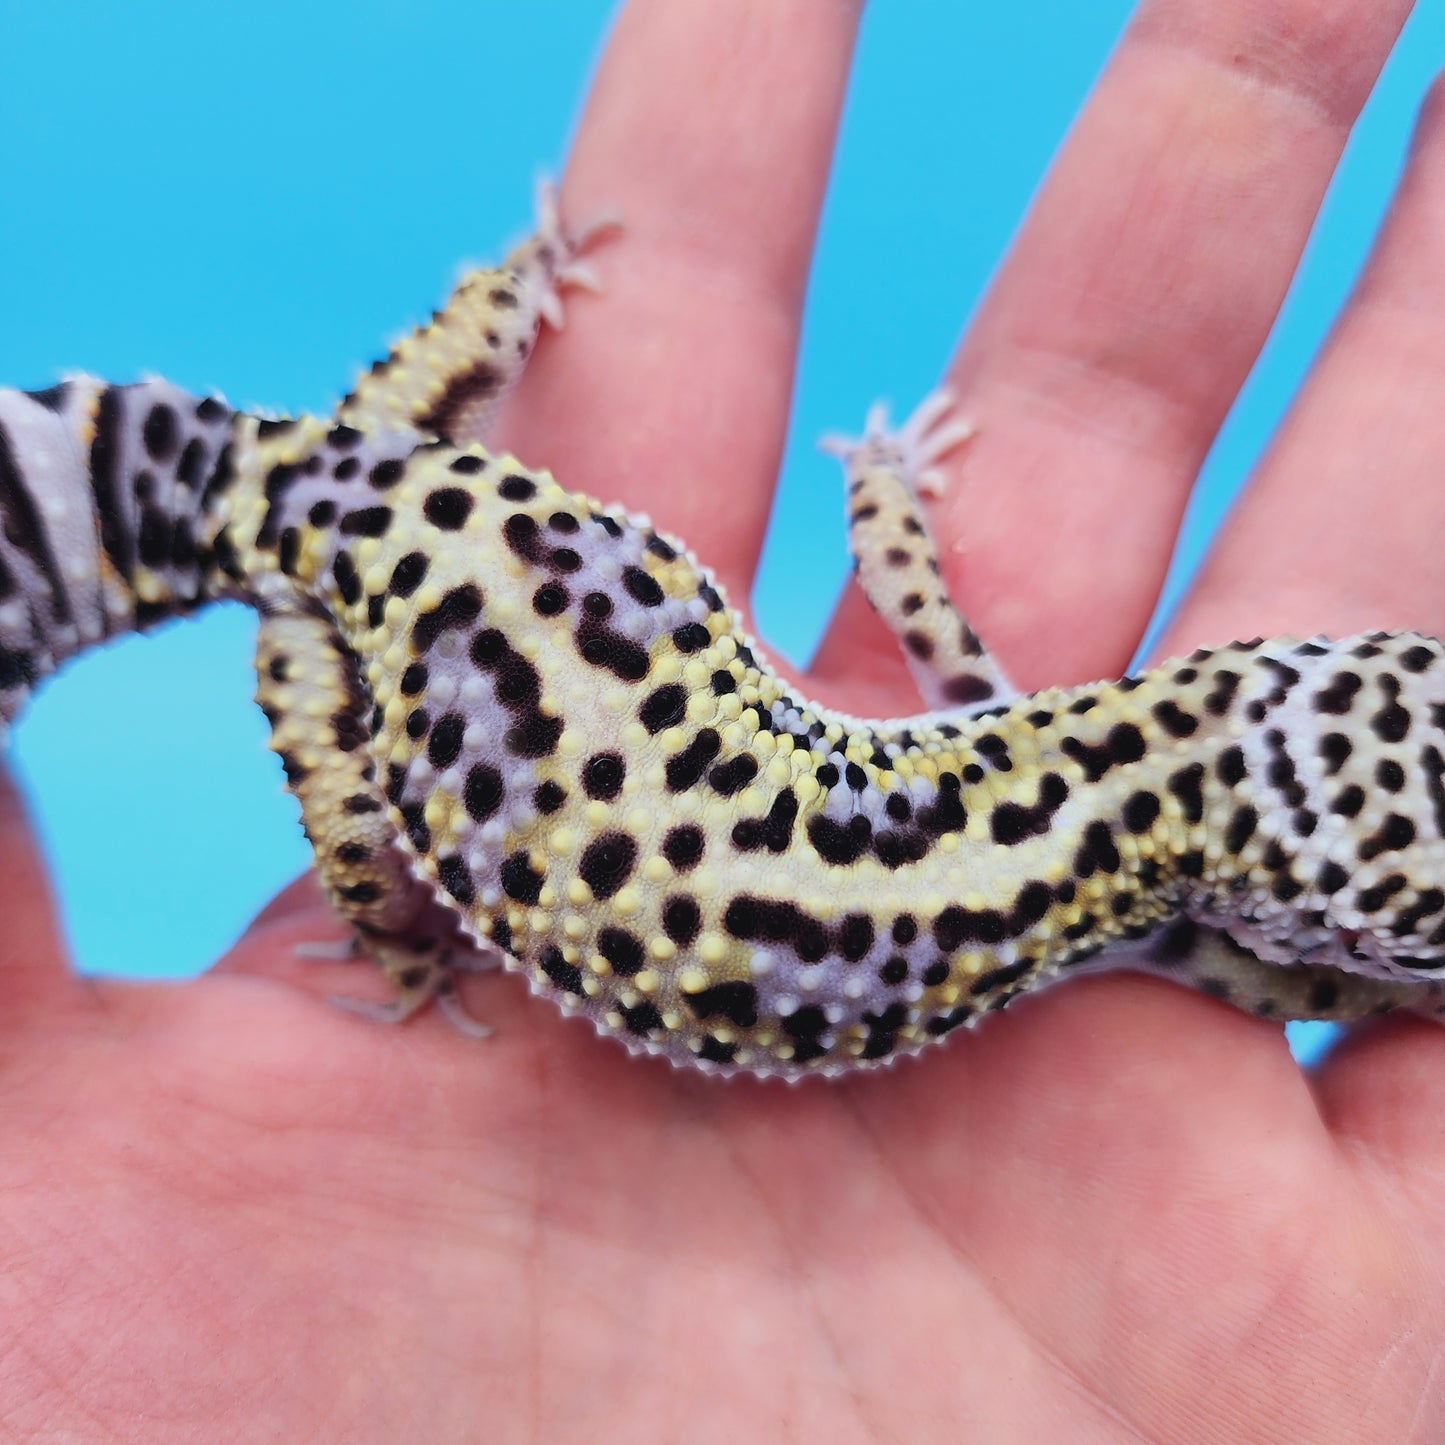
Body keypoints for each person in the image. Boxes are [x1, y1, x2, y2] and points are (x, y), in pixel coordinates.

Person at [4, 0, 1442, 1436]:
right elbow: (1256, 971)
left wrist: (866, 477)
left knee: (338, 544)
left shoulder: (1038, 760)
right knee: (341, 700)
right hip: (405, 593)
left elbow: (928, 619)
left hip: (406, 519)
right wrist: (392, 919)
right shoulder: (1098, 860)